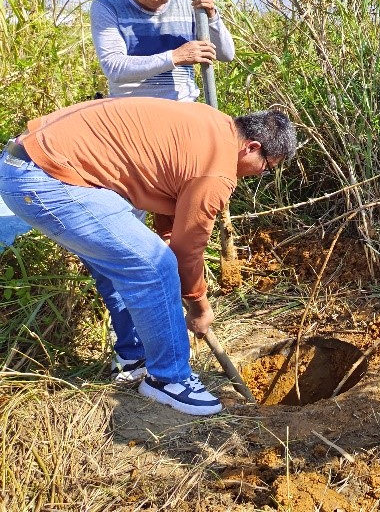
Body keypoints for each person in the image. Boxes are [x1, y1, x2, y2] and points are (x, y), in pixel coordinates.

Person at [0, 98, 296, 415]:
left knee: (123, 256)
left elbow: (171, 190)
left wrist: (169, 241)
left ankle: (135, 356)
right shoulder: (218, 172)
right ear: (252, 147)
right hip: (45, 178)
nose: (260, 173)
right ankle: (168, 379)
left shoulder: (214, 124)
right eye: (267, 167)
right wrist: (199, 306)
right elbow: (185, 253)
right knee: (155, 266)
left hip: (31, 160)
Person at [90, 0, 235, 102]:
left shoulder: (189, 4)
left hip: (182, 109)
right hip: (131, 111)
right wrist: (175, 57)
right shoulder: (109, 6)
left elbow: (226, 54)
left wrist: (211, 16)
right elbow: (114, 67)